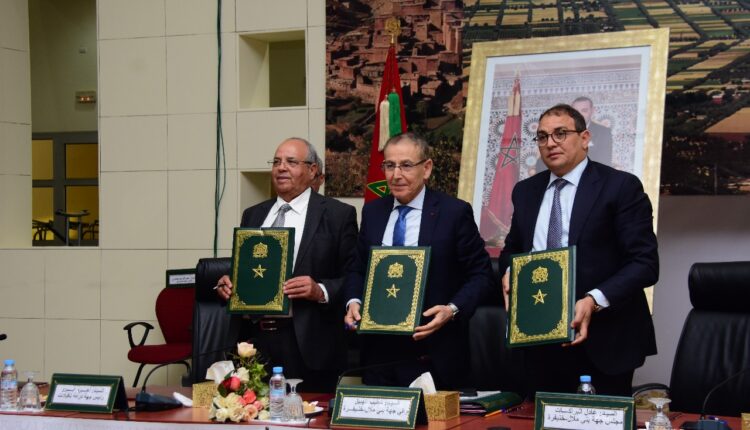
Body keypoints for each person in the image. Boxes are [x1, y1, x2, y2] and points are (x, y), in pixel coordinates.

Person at [500, 104, 658, 397]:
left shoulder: (619, 187)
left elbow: (644, 263)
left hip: (604, 340)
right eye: (543, 136)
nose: (550, 143)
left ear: (585, 138)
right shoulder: (525, 191)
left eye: (560, 133)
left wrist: (594, 300)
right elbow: (513, 249)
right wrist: (510, 271)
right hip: (540, 341)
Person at [344, 132, 494, 389]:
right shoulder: (373, 211)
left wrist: (451, 310)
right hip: (379, 354)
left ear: (426, 168)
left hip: (433, 351)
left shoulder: (453, 212)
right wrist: (353, 301)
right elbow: (357, 268)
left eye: (406, 165)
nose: (396, 175)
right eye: (389, 165)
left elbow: (482, 275)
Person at [216, 137, 358, 392]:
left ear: (312, 170)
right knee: (252, 411)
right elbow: (249, 268)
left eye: (291, 162)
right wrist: (230, 281)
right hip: (254, 341)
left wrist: (320, 290)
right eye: (276, 162)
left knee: (307, 413)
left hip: (307, 342)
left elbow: (354, 276)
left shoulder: (338, 214)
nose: (281, 168)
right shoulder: (254, 214)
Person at [571, 96, 613, 166]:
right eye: (576, 111)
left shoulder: (603, 132)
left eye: (584, 111)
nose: (579, 115)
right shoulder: (565, 132)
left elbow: (605, 163)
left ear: (592, 111)